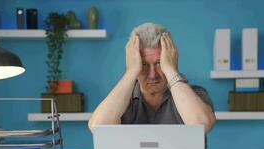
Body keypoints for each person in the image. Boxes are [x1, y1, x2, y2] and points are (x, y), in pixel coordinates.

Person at [88, 23, 216, 133]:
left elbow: (202, 126)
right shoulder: (122, 99)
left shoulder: (196, 94)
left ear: (171, 60)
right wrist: (131, 71)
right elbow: (97, 128)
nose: (152, 74)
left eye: (159, 63)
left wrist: (171, 70)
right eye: (143, 65)